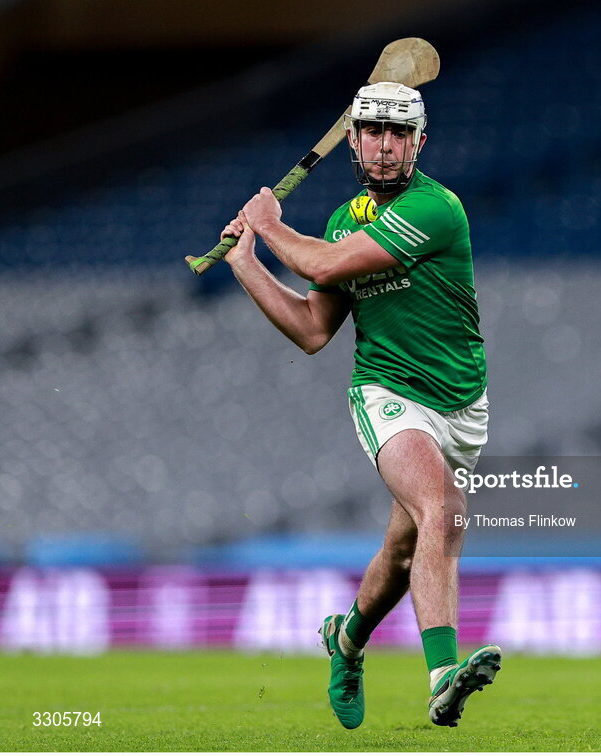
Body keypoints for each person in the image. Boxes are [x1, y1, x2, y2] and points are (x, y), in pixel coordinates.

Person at [219, 81, 501, 729]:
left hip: (461, 409)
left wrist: (269, 224)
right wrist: (248, 264)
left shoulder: (438, 209)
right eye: (372, 131)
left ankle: (345, 640)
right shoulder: (343, 218)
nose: (384, 145)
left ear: (418, 143)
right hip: (386, 394)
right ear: (353, 140)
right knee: (445, 511)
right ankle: (442, 677)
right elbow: (316, 329)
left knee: (405, 554)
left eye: (398, 134)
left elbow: (332, 262)